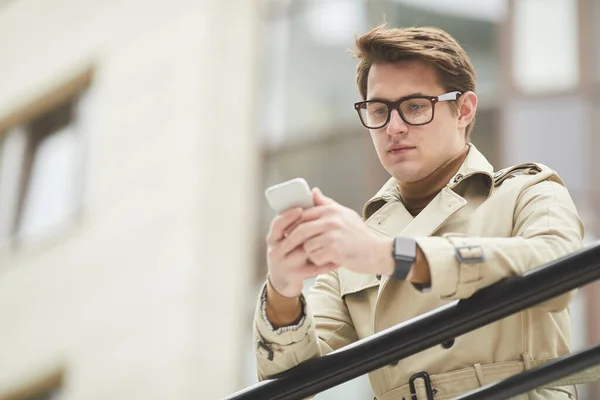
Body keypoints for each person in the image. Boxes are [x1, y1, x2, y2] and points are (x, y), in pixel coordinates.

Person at [253, 24, 593, 399]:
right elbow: (291, 379)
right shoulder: (356, 246)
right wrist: (283, 288)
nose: (393, 127)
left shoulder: (527, 191)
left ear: (463, 109)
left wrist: (392, 256)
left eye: (415, 106)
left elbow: (557, 270)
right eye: (379, 110)